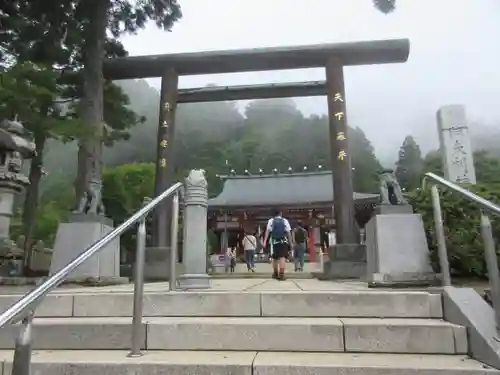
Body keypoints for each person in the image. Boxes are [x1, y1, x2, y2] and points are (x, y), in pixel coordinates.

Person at [262, 208, 293, 280]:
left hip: (274, 242)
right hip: (283, 241)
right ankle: (281, 275)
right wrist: (291, 243)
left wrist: (264, 242)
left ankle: (275, 273)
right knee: (282, 257)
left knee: (275, 258)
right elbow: (289, 233)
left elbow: (267, 232)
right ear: (280, 214)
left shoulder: (271, 221)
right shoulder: (285, 220)